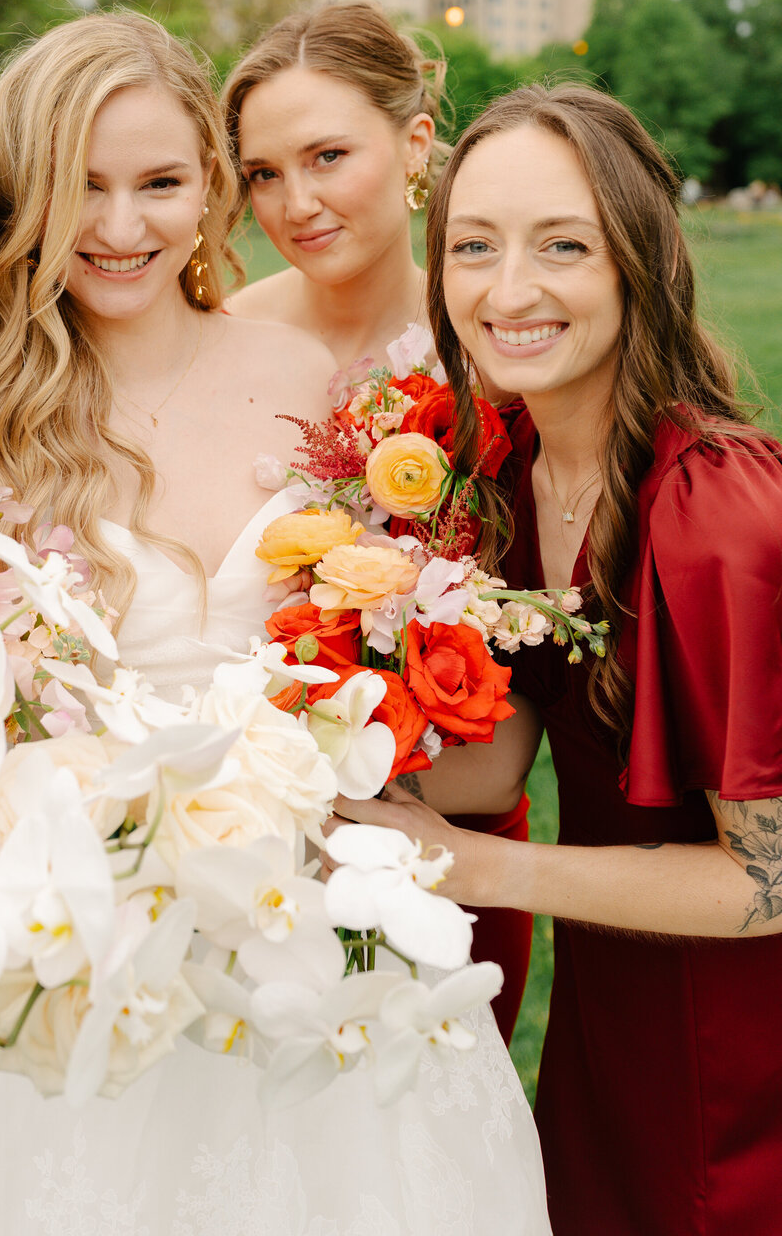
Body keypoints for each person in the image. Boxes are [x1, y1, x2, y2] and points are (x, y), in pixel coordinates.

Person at [0, 11, 551, 1235]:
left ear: (209, 188)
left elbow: (378, 671)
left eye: (159, 183)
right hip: (71, 956)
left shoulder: (305, 381)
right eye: (80, 185)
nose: (120, 225)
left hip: (310, 927)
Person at [344, 83, 782, 1235]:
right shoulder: (513, 467)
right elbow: (495, 767)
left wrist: (480, 869)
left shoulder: (716, 516)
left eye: (562, 246)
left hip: (741, 1066)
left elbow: (772, 880)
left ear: (643, 259)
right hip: (611, 1022)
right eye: (474, 246)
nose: (508, 291)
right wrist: (283, 747)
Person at [221, 0, 533, 1044]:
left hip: (449, 834)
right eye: (264, 174)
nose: (296, 202)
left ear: (414, 143)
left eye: (327, 156)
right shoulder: (222, 339)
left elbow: (520, 707)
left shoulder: (500, 355)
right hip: (243, 847)